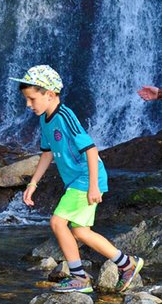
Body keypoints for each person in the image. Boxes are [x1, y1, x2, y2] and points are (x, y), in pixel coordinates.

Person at [10, 65, 144, 293]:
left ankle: (79, 278)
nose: (28, 105)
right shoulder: (45, 119)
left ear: (49, 94)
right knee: (81, 231)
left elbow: (92, 151)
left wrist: (93, 186)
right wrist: (32, 183)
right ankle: (127, 263)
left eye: (31, 99)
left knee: (57, 222)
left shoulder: (65, 116)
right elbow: (47, 153)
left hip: (86, 177)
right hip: (75, 181)